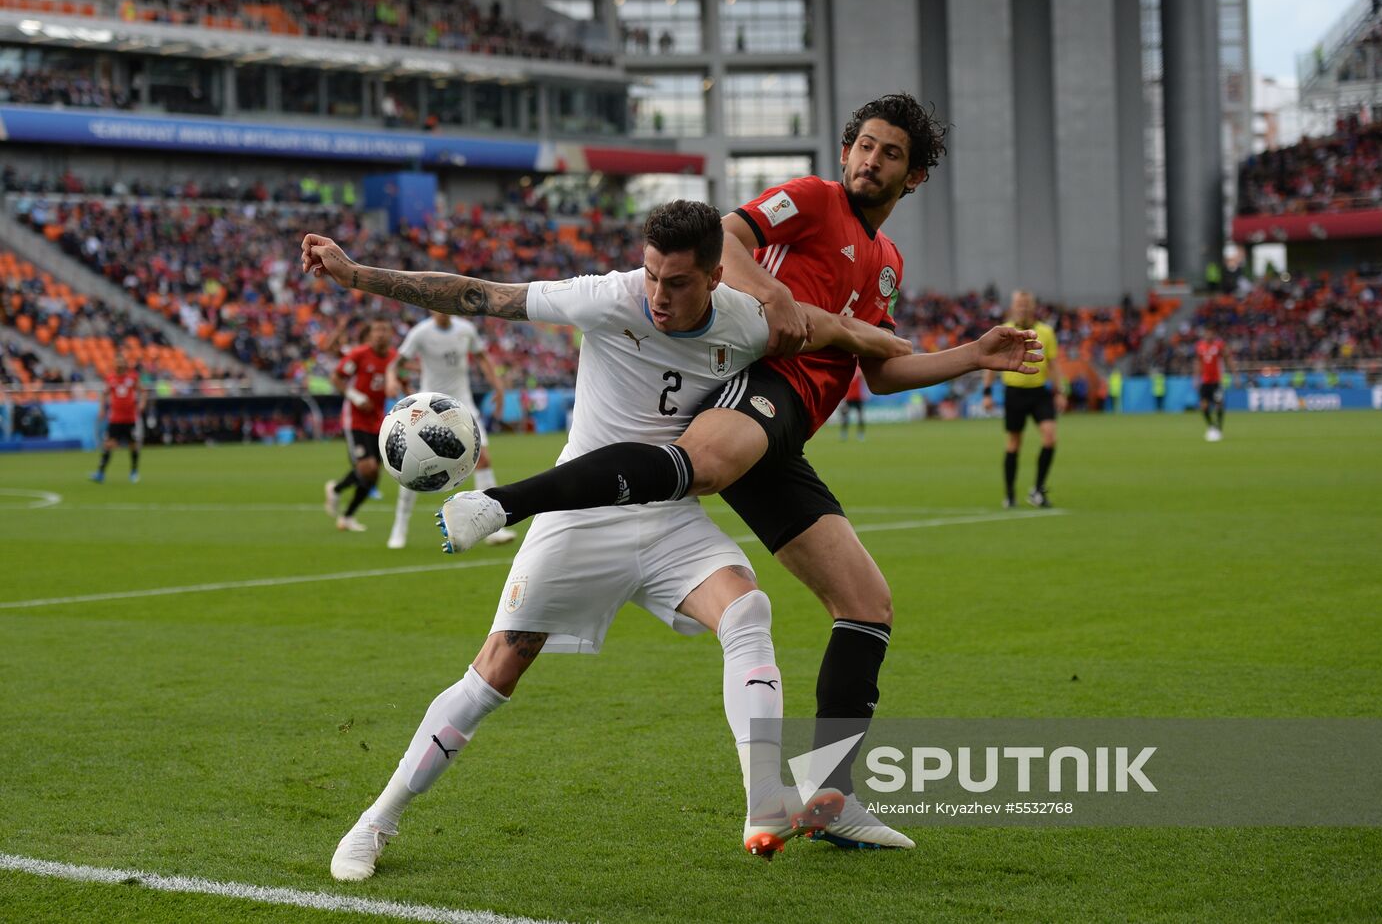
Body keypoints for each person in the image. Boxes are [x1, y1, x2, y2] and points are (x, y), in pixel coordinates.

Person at [429, 94, 1043, 849]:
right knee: (704, 465)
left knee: (867, 604)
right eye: (865, 145)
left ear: (913, 177)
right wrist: (774, 292)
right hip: (761, 386)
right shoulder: (815, 200)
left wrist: (974, 356)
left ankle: (831, 795)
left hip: (791, 436)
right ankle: (505, 502)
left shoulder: (887, 264)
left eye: (890, 155)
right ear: (847, 148)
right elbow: (727, 232)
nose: (870, 161)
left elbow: (881, 365)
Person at [301, 200, 906, 878]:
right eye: (650, 274)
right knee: (499, 665)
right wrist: (356, 277)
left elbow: (820, 326)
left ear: (715, 277)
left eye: (675, 282)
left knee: (747, 609)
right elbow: (479, 293)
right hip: (579, 512)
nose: (657, 294)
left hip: (670, 515)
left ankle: (765, 796)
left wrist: (891, 344)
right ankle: (375, 819)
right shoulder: (606, 298)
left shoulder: (746, 321)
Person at [384, 311, 514, 550]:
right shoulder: (420, 333)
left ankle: (493, 526)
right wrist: (392, 379)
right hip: (428, 411)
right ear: (430, 308)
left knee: (483, 460)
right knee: (411, 468)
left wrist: (498, 386)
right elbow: (396, 365)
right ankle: (399, 526)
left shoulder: (465, 329)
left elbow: (482, 357)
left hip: (462, 410)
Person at [983, 290, 1064, 509]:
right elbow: (991, 363)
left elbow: (1053, 363)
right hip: (1014, 392)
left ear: (1033, 306)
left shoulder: (1046, 331)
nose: (1023, 308)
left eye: (1026, 304)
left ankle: (1037, 490)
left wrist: (1060, 391)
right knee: (1014, 443)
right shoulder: (1004, 332)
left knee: (1050, 437)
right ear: (1012, 306)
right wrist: (987, 392)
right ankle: (1009, 494)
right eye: (1019, 304)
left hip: (1039, 391)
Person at [324, 317, 396, 532]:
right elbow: (336, 377)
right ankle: (337, 492)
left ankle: (345, 512)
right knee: (368, 467)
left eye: (384, 330)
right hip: (355, 418)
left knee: (373, 474)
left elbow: (402, 380)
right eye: (377, 330)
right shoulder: (358, 354)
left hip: (378, 420)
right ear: (371, 334)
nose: (380, 334)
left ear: (391, 335)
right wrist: (355, 397)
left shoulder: (394, 358)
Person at [90, 351, 145, 483]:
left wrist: (142, 404)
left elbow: (142, 391)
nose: (120, 363)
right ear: (114, 363)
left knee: (133, 445)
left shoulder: (133, 377)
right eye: (117, 361)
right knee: (109, 444)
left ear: (125, 363)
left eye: (122, 361)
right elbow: (104, 394)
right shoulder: (110, 378)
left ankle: (134, 471)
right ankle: (100, 473)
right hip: (115, 418)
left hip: (130, 418)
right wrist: (102, 409)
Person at [1193, 325, 1236, 442]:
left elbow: (1229, 359)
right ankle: (1212, 426)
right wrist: (1196, 379)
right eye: (1207, 333)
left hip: (1217, 382)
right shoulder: (1200, 346)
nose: (1209, 335)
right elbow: (1198, 363)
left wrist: (1235, 376)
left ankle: (1219, 429)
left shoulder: (1219, 345)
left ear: (1214, 334)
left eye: (1211, 333)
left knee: (1219, 404)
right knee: (1204, 406)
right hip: (1205, 382)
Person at [839, 368, 868, 441]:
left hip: (858, 397)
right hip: (849, 397)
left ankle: (860, 434)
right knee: (845, 417)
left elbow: (864, 380)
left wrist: (866, 392)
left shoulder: (859, 370)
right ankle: (844, 434)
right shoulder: (848, 370)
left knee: (860, 417)